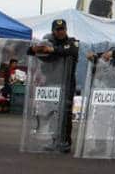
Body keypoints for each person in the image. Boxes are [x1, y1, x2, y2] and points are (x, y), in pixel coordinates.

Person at [26, 18, 79, 153]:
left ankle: (65, 141)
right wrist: (35, 48)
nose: (60, 32)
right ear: (53, 31)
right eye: (58, 30)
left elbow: (71, 50)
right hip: (51, 83)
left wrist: (52, 50)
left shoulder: (72, 42)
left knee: (65, 113)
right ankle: (54, 139)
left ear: (66, 30)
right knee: (52, 112)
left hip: (66, 83)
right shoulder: (48, 41)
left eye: (63, 29)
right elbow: (30, 51)